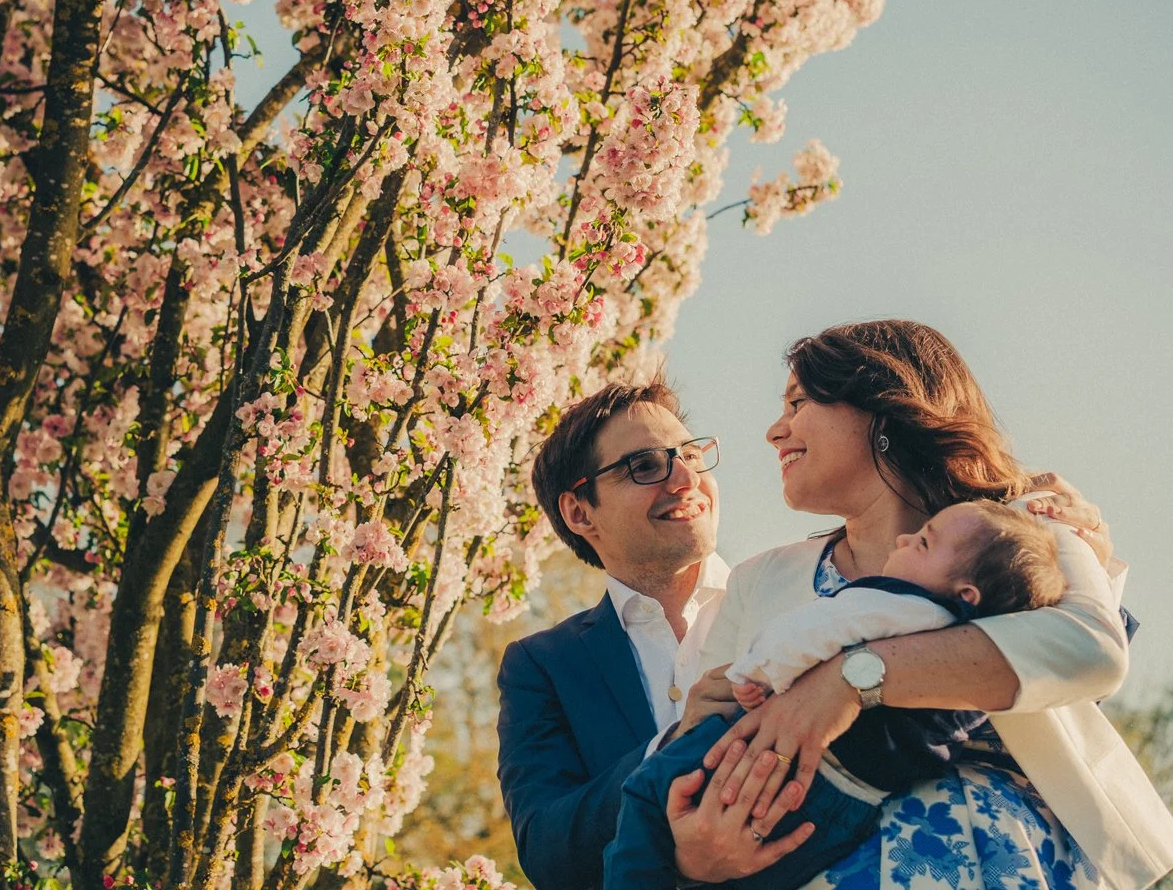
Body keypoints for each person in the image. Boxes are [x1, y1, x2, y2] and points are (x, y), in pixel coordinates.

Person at [666, 320, 1173, 889]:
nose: (773, 431)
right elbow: (698, 757)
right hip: (814, 864)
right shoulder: (758, 581)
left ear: (881, 405)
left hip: (1006, 857)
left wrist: (846, 681)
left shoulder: (1021, 527)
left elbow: (1093, 650)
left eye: (798, 402)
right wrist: (694, 847)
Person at [602, 500, 1069, 890]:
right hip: (854, 803)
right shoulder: (975, 643)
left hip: (778, 762)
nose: (905, 541)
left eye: (924, 542)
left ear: (966, 592)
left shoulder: (894, 602)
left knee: (645, 795)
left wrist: (758, 672)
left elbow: (815, 629)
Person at [495, 377, 816, 890]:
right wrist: (671, 744)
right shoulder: (543, 666)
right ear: (579, 512)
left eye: (690, 453)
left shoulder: (799, 594)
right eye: (645, 466)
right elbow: (548, 853)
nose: (686, 477)